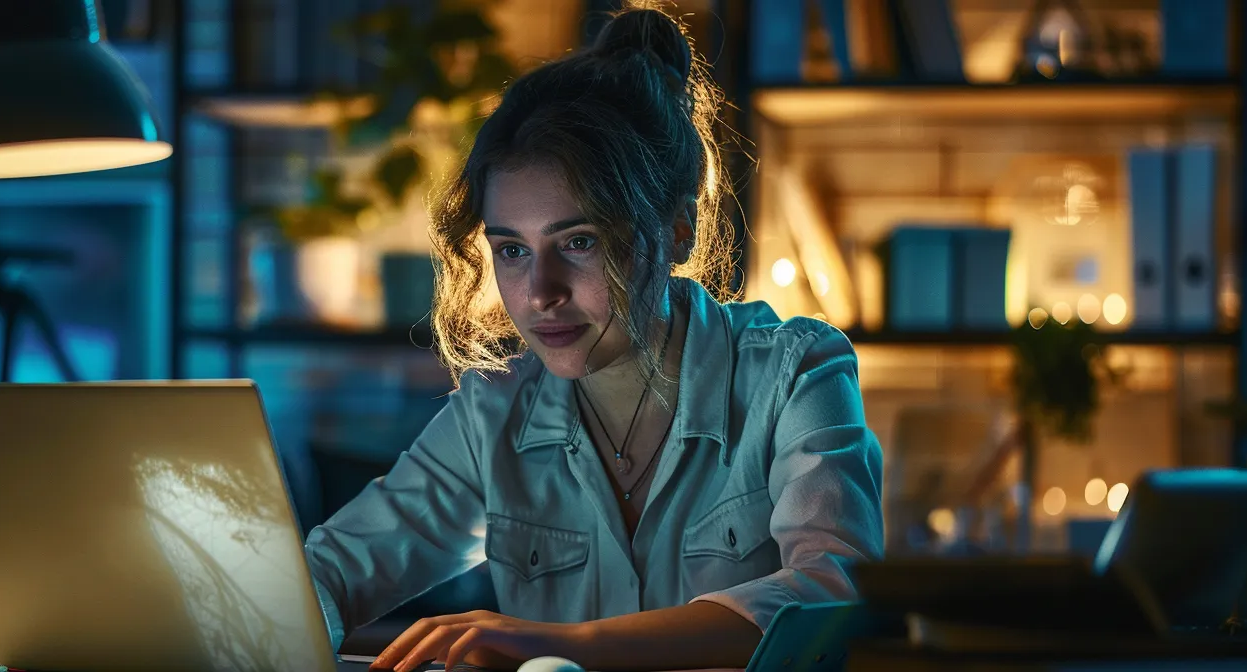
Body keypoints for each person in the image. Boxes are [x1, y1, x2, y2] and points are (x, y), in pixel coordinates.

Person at [302, 5, 884, 671]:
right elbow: (329, 572)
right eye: (513, 250)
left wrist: (565, 647)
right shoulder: (493, 412)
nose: (540, 292)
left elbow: (834, 592)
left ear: (676, 231)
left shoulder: (796, 373)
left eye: (579, 242)